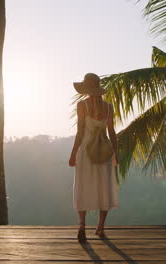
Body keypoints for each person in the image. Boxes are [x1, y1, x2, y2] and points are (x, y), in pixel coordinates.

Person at [69, 73, 119, 242]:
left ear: (87, 89)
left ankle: (82, 225)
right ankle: (100, 228)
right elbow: (111, 132)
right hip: (104, 151)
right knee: (103, 188)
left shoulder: (82, 105)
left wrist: (73, 153)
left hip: (85, 151)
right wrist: (116, 153)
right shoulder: (109, 107)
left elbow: (80, 132)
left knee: (82, 186)